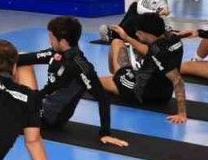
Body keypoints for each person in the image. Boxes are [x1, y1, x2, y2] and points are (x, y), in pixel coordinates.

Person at [12, 17, 127, 148]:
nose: (49, 41)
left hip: (49, 118)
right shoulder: (56, 52)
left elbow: (103, 98)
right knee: (17, 60)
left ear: (63, 42)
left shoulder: (80, 66)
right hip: (39, 103)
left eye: (51, 38)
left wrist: (105, 133)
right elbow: (25, 58)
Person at [99, 13, 188, 124]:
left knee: (96, 80)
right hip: (164, 92)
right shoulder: (173, 38)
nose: (137, 34)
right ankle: (117, 76)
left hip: (140, 92)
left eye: (138, 33)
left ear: (146, 33)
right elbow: (152, 52)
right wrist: (126, 38)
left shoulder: (159, 53)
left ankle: (117, 78)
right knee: (118, 42)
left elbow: (178, 81)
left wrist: (182, 114)